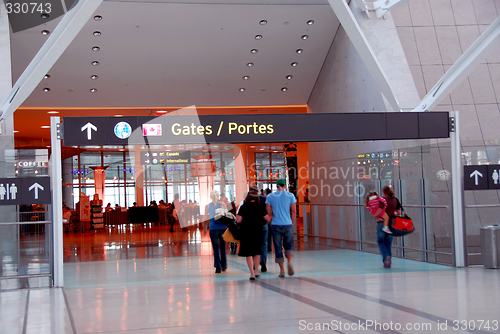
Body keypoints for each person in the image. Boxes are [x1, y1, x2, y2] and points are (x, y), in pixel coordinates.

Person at [237, 186, 269, 280]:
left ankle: (252, 274)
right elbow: (267, 218)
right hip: (257, 231)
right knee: (257, 252)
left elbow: (238, 220)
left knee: (249, 254)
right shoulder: (260, 207)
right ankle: (257, 271)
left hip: (246, 232)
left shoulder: (243, 206)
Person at [266, 179, 296, 278]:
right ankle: (290, 262)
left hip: (275, 225)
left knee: (278, 247)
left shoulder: (270, 196)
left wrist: (270, 221)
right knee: (288, 245)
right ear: (284, 186)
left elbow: (269, 212)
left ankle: (282, 270)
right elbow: (294, 211)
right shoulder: (290, 195)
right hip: (287, 224)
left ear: (276, 186)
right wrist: (292, 223)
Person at [205, 190, 228, 273]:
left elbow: (205, 219)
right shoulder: (222, 205)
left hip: (213, 228)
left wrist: (204, 229)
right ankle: (224, 265)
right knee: (222, 247)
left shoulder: (207, 206)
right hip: (223, 228)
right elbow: (227, 215)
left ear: (211, 197)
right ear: (218, 196)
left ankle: (218, 267)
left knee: (215, 248)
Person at [381, 186, 402, 268]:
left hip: (382, 222)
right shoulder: (395, 199)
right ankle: (388, 259)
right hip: (392, 223)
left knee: (381, 241)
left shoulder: (382, 200)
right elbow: (399, 212)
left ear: (383, 191)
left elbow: (379, 211)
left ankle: (386, 256)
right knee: (388, 242)